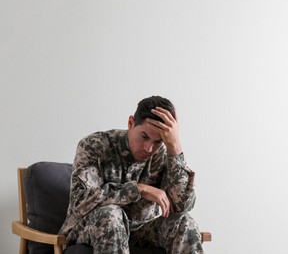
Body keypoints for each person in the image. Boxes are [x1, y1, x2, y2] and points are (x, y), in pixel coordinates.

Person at [59, 96, 204, 254]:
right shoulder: (95, 145)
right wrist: (138, 189)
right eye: (144, 136)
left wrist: (174, 146)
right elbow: (80, 202)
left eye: (158, 142)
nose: (149, 148)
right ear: (131, 123)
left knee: (184, 222)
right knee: (111, 215)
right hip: (91, 227)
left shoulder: (162, 155)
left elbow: (182, 205)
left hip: (141, 232)